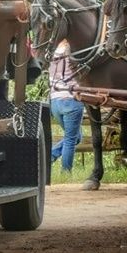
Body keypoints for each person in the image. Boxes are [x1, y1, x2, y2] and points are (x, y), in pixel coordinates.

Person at [49, 38, 84, 171]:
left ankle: (51, 156)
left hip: (55, 102)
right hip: (70, 101)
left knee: (76, 137)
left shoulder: (53, 55)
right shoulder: (73, 55)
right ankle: (65, 170)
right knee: (70, 139)